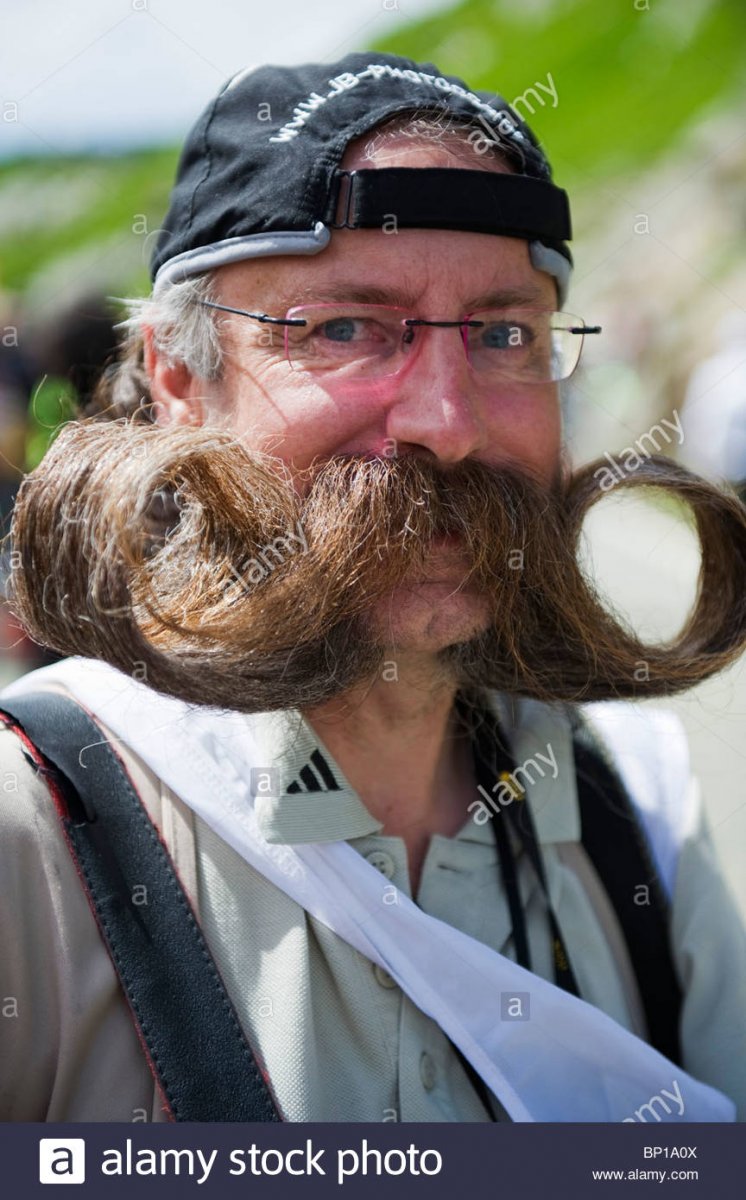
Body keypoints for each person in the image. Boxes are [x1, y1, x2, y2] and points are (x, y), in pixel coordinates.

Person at [1, 51, 746, 1125]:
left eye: (503, 334)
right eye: (345, 328)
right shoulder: (36, 831)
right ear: (177, 378)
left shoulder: (637, 804)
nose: (446, 423)